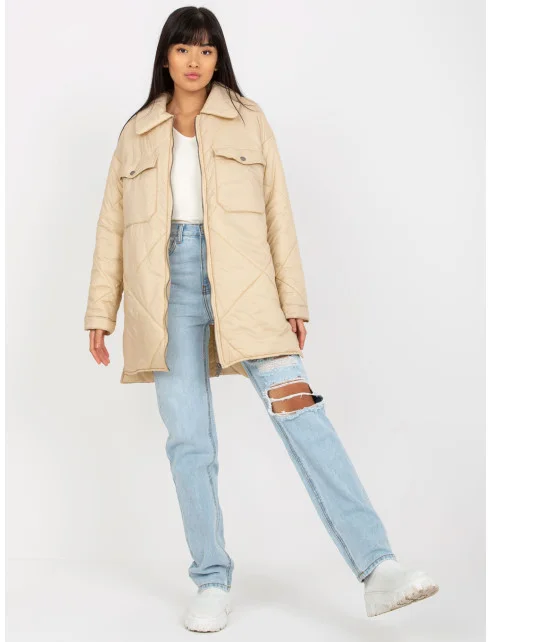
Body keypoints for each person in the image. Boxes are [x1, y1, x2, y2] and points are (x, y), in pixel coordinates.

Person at [84, 6, 439, 632]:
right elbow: (111, 227)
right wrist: (100, 311)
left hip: (246, 284)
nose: (195, 61)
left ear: (219, 58)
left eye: (207, 50)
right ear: (165, 56)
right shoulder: (136, 132)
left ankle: (377, 567)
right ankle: (211, 580)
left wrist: (293, 300)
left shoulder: (248, 120)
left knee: (302, 414)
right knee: (189, 441)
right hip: (163, 291)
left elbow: (278, 210)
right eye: (184, 49)